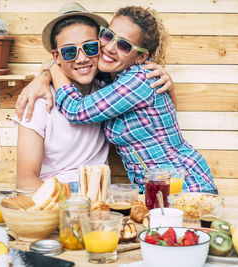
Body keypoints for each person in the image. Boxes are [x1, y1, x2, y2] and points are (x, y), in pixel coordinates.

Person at [18, 5, 218, 194]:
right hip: (152, 188)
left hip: (185, 185)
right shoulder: (110, 82)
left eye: (124, 45)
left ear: (140, 57)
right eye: (108, 36)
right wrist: (44, 75)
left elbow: (77, 110)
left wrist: (53, 67)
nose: (110, 48)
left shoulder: (140, 79)